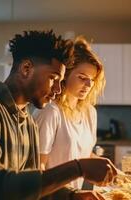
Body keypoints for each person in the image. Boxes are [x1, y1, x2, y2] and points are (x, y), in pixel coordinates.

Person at [0, 30, 117, 200]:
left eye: (61, 81)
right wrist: (78, 168)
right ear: (26, 68)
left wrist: (71, 196)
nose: (58, 90)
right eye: (53, 79)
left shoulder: (27, 122)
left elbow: (31, 186)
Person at [33, 36, 106, 190]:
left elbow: (82, 155)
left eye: (92, 80)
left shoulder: (89, 113)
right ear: (65, 76)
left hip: (75, 194)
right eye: (82, 78)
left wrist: (116, 173)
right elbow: (38, 168)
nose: (88, 85)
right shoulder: (50, 112)